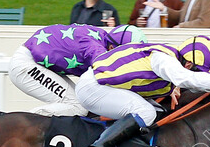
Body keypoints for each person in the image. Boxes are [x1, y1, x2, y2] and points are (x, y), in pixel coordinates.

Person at [76, 35, 210, 147]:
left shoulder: (169, 58)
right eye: (198, 71)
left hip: (99, 84)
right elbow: (189, 80)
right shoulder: (164, 59)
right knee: (146, 112)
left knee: (155, 110)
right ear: (189, 65)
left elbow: (188, 82)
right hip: (93, 89)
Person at [9, 24, 147, 117]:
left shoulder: (104, 37)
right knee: (77, 106)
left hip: (35, 60)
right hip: (26, 65)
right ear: (112, 48)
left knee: (81, 102)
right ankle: (19, 126)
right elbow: (112, 80)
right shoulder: (97, 51)